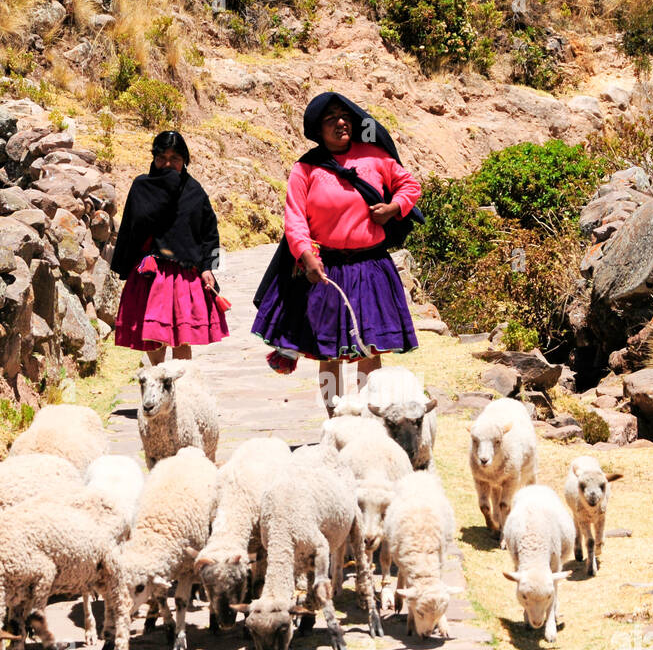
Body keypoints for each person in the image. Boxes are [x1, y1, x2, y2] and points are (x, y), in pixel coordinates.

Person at [251, 92, 423, 416]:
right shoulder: (305, 169)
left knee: (369, 351)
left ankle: (371, 420)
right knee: (328, 354)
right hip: (327, 272)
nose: (341, 122)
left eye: (344, 116)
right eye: (331, 118)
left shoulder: (375, 158)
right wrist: (305, 256)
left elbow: (410, 186)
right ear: (318, 129)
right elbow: (295, 220)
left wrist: (392, 208)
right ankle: (335, 423)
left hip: (370, 267)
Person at [110, 131, 228, 365]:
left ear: (185, 160)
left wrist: (208, 268)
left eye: (175, 158)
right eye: (161, 157)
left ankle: (180, 391)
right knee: (153, 338)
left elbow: (210, 233)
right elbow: (128, 230)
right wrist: (126, 265)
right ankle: (158, 383)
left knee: (181, 339)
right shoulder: (141, 187)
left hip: (184, 277)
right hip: (150, 274)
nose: (167, 164)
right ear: (153, 158)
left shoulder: (194, 191)